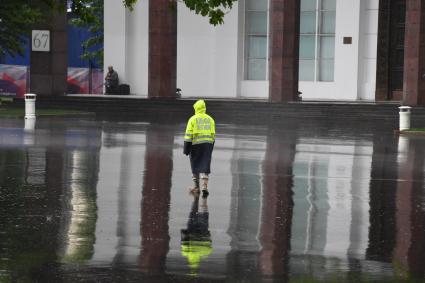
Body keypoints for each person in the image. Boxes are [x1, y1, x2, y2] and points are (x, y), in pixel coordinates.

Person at [183, 99, 215, 196]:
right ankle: (205, 186)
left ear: (196, 108)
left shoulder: (192, 119)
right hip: (207, 145)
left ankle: (196, 187)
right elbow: (213, 134)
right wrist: (211, 147)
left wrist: (186, 148)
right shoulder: (210, 119)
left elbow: (188, 135)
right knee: (205, 164)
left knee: (195, 165)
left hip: (196, 145)